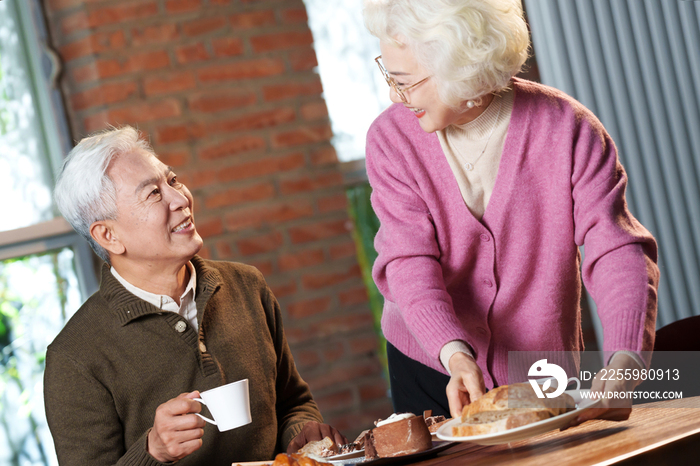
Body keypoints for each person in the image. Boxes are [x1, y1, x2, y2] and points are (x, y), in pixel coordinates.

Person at [362, 0, 659, 425]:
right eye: (389, 75)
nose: (394, 94)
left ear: (462, 72)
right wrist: (454, 352)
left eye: (405, 81)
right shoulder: (391, 140)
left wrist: (624, 363)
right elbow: (409, 262)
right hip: (432, 362)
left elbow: (616, 249)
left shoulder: (566, 128)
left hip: (539, 369)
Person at [45, 126, 345, 465]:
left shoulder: (247, 285)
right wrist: (152, 451)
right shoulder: (74, 357)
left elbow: (293, 401)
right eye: (153, 194)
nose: (180, 198)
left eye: (172, 181)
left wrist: (301, 433)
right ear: (109, 235)